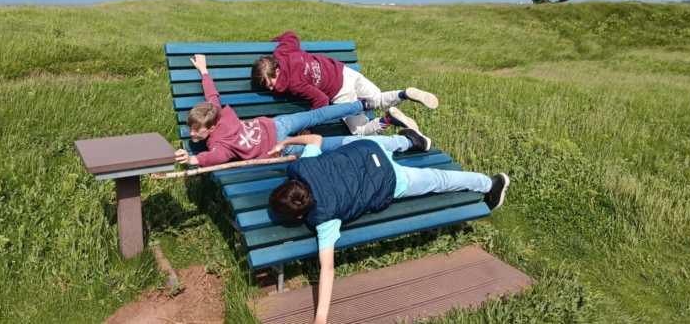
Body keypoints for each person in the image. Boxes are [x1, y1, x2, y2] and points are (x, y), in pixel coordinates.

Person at [267, 134, 510, 324]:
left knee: (439, 180)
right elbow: (315, 140)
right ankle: (411, 141)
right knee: (353, 142)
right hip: (367, 149)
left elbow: (327, 269)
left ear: (300, 215)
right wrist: (287, 141)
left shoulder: (325, 218)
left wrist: (321, 318)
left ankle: (491, 183)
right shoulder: (304, 165)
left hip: (390, 177)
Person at [174, 54, 432, 167]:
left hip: (280, 139)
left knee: (330, 140)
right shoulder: (217, 122)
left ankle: (390, 124)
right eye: (192, 131)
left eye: (197, 131)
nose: (193, 135)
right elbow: (212, 99)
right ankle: (377, 102)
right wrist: (205, 72)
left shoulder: (218, 135)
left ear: (210, 125)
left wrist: (192, 158)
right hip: (278, 129)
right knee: (322, 116)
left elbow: (212, 156)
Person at [250, 31, 439, 135]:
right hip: (345, 71)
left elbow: (322, 100)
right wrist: (271, 44)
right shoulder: (283, 53)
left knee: (361, 130)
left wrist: (308, 127)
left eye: (271, 83)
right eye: (267, 87)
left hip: (340, 92)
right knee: (377, 98)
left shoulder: (293, 84)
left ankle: (388, 119)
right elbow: (291, 36)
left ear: (276, 70)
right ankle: (404, 94)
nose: (273, 88)